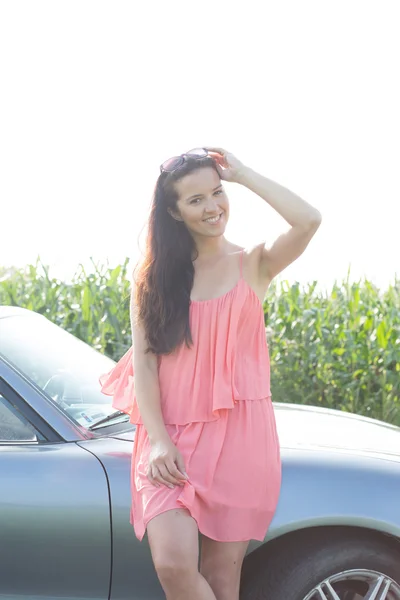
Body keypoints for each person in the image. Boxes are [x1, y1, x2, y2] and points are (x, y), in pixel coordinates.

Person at [99, 146, 322, 600]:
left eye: (217, 193)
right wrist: (158, 438)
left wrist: (243, 174)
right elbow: (144, 362)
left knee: (223, 579)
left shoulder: (253, 264)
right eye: (195, 199)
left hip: (240, 435)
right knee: (174, 564)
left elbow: (309, 220)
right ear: (174, 212)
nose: (213, 207)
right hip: (170, 436)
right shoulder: (153, 278)